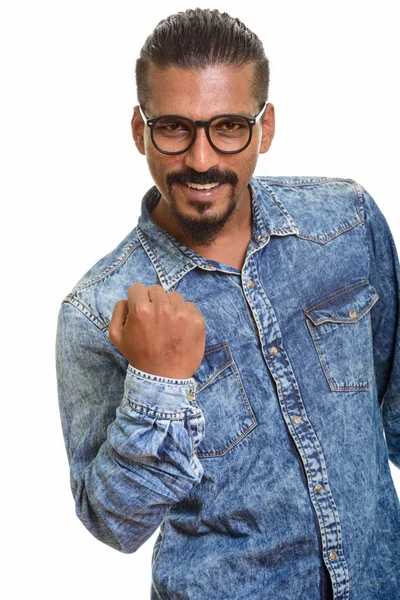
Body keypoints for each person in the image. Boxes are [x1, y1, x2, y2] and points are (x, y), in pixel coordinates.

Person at [56, 8, 400, 600]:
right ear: (139, 130)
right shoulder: (96, 311)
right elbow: (116, 524)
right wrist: (157, 385)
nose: (201, 159)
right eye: (174, 128)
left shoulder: (346, 223)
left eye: (229, 127)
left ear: (265, 128)